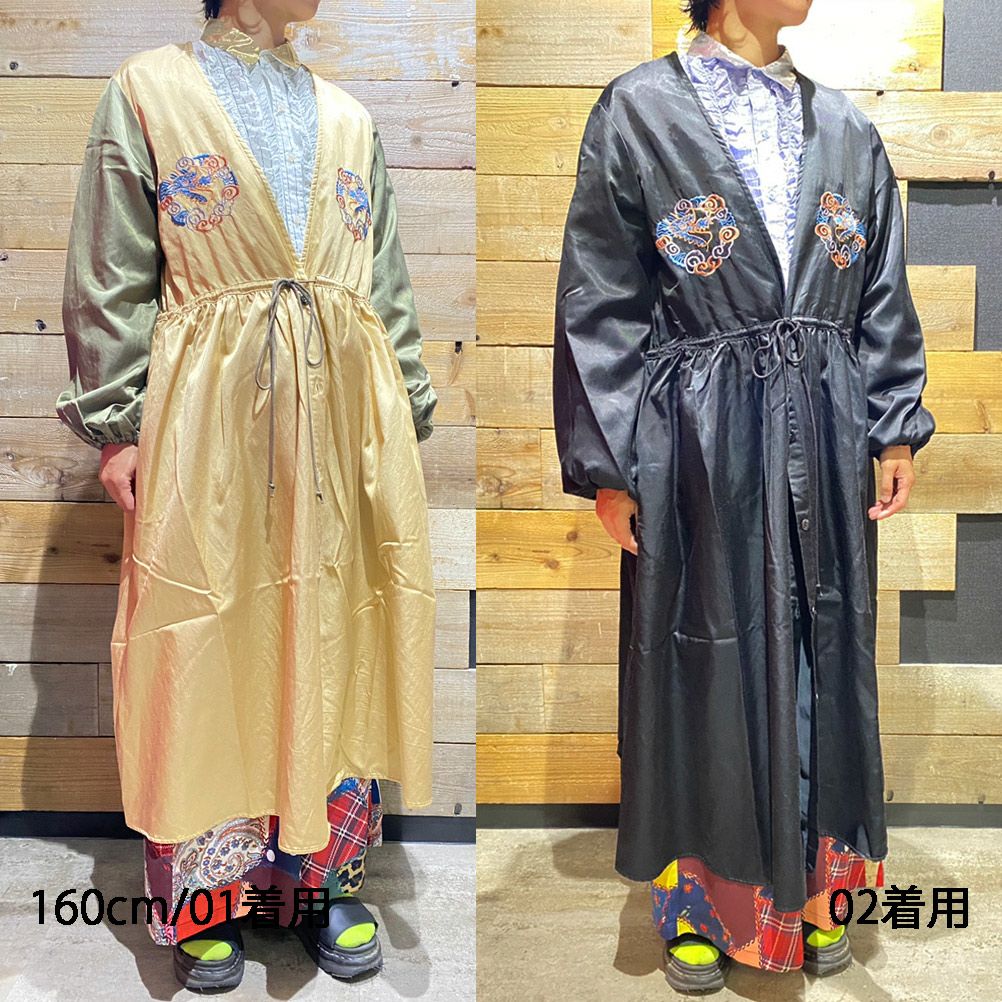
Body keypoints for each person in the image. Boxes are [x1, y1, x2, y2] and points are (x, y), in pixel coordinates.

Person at [552, 0, 935, 992]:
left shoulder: (846, 127)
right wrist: (610, 464)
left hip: (829, 433)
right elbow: (601, 295)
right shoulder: (639, 111)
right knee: (702, 662)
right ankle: (702, 905)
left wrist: (894, 422)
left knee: (821, 648)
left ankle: (813, 897)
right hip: (699, 439)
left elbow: (882, 289)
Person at [55, 0, 438, 991]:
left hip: (342, 420)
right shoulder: (149, 92)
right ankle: (206, 893)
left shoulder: (349, 117)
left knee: (337, 632)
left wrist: (405, 408)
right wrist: (117, 420)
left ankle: (320, 879)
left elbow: (385, 285)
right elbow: (111, 270)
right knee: (204, 636)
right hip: (207, 414)